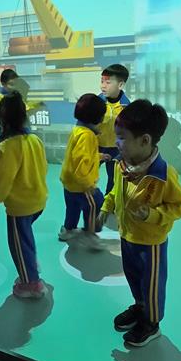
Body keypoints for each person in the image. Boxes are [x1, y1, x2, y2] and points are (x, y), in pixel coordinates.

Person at [99, 99, 181, 347]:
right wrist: (106, 206)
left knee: (152, 284)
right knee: (133, 277)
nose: (116, 142)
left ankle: (152, 323)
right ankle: (140, 307)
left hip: (151, 244)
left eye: (121, 137)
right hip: (127, 236)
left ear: (145, 140)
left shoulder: (163, 174)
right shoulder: (122, 165)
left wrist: (151, 215)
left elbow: (180, 206)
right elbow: (115, 192)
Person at [0, 92, 48, 298]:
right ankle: (30, 263)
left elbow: (3, 179)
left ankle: (31, 284)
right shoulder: (35, 140)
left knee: (18, 243)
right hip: (39, 199)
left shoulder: (7, 146)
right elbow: (43, 168)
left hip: (20, 206)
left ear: (3, 120)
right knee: (25, 237)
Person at [59, 93, 109, 249]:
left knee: (72, 208)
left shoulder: (78, 130)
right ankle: (90, 234)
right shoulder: (88, 136)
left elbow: (78, 156)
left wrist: (98, 156)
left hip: (69, 183)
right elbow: (81, 166)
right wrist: (89, 186)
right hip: (82, 186)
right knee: (96, 204)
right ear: (96, 117)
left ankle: (67, 230)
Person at [98, 64, 131, 193]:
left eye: (108, 82)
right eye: (102, 81)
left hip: (116, 149)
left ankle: (108, 202)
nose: (103, 86)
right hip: (96, 147)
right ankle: (89, 201)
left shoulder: (127, 107)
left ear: (120, 85)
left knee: (113, 179)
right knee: (87, 175)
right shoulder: (96, 103)